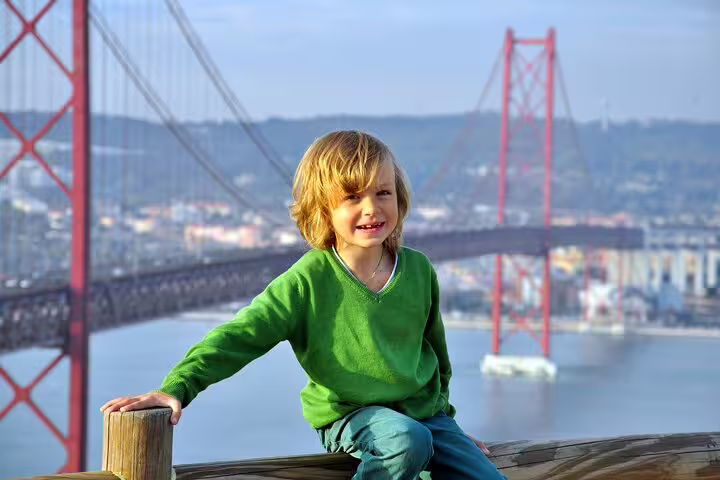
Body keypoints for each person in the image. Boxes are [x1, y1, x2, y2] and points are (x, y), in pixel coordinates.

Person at [101, 130, 506, 479]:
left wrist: (448, 426)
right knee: (404, 440)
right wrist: (176, 388)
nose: (371, 208)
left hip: (425, 417)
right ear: (323, 209)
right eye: (352, 197)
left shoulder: (417, 269)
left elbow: (436, 354)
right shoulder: (307, 281)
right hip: (351, 416)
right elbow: (240, 336)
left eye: (383, 192)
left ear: (399, 197)